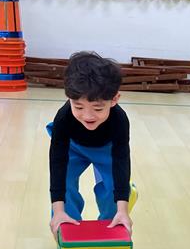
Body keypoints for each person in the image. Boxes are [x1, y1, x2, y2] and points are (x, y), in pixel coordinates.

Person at [47, 51, 133, 234]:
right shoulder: (63, 118)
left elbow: (121, 161)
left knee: (112, 188)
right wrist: (58, 211)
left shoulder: (119, 120)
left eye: (98, 108)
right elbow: (57, 164)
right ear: (69, 98)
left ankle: (112, 222)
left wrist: (123, 210)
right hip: (73, 147)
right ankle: (65, 225)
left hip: (106, 149)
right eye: (78, 107)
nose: (87, 116)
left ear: (114, 99)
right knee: (66, 181)